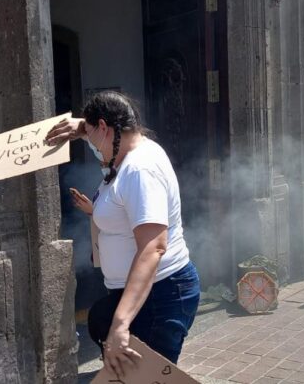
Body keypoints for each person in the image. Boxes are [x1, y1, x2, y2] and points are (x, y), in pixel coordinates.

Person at [46, 91, 200, 377]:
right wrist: (83, 128)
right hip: (147, 293)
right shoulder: (133, 150)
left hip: (160, 294)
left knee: (143, 378)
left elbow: (153, 247)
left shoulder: (140, 169)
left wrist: (121, 323)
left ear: (104, 128)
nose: (93, 148)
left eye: (92, 138)